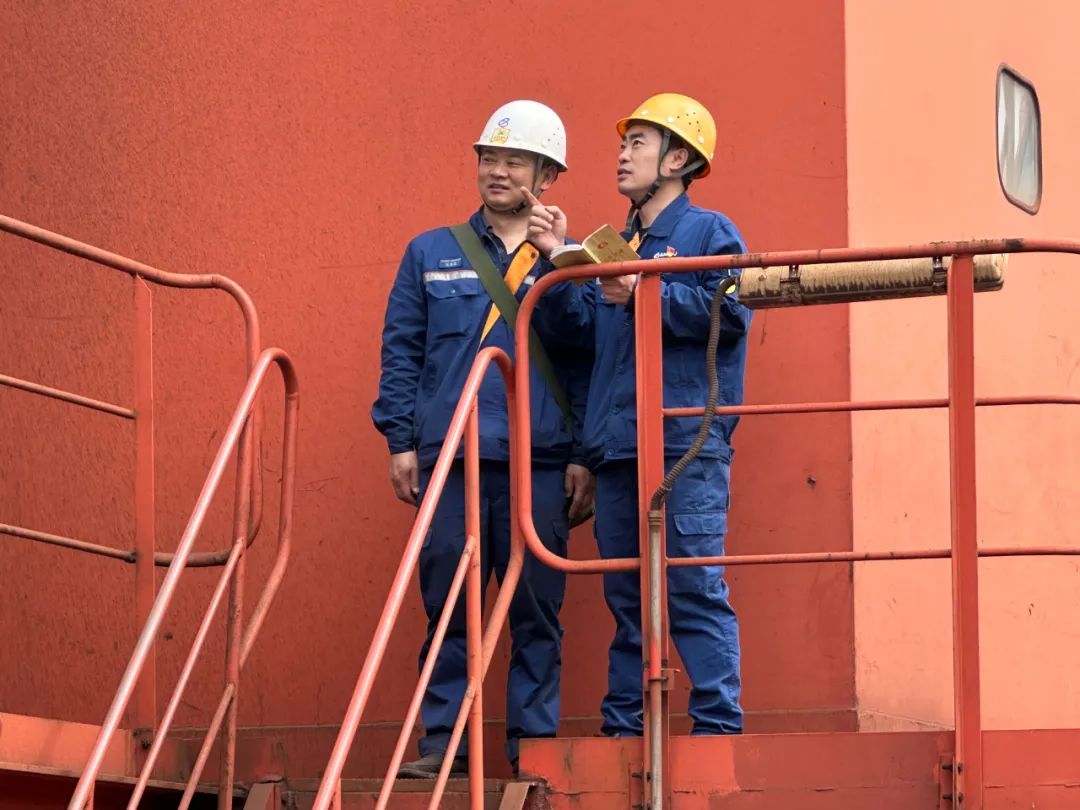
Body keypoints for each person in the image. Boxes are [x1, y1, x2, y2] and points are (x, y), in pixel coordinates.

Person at [371, 99, 594, 777]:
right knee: (447, 607)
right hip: (452, 459)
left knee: (537, 613)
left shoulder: (568, 257)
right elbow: (402, 350)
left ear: (547, 177)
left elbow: (587, 352)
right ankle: (443, 746)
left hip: (539, 462)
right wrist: (400, 441)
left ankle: (533, 752)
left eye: (514, 161)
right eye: (488, 158)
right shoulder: (429, 251)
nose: (497, 171)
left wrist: (558, 261)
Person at [526, 92, 752, 738]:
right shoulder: (617, 244)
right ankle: (624, 731)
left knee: (692, 589)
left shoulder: (710, 232)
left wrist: (644, 288)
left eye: (637, 144)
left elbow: (732, 312)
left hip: (684, 443)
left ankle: (717, 730)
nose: (622, 156)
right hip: (618, 449)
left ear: (677, 159)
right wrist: (556, 258)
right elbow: (583, 337)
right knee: (628, 597)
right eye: (623, 144)